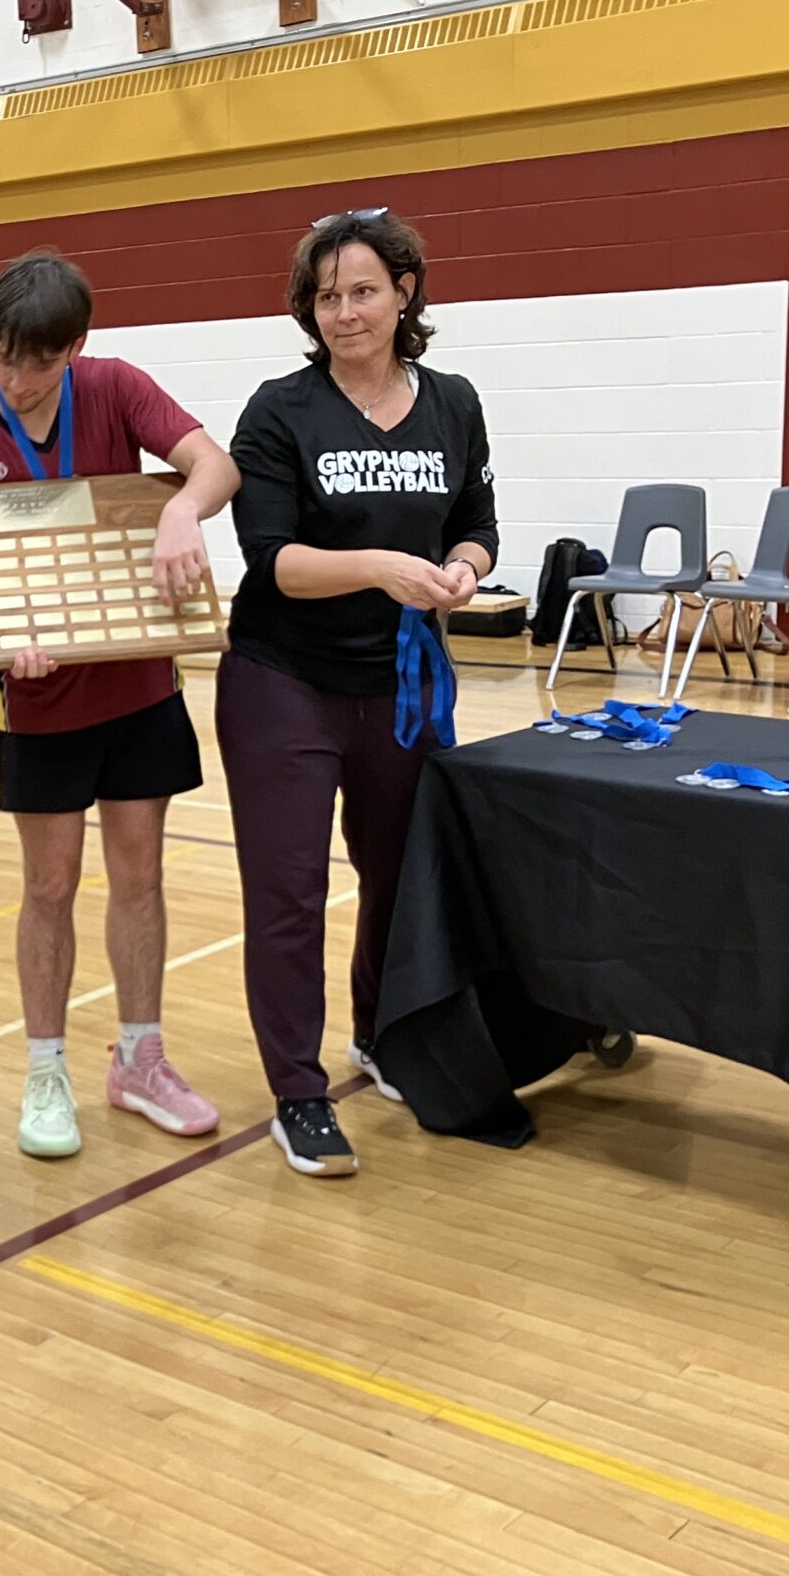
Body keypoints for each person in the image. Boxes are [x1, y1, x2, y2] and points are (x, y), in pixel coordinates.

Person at [0, 251, 240, 1160]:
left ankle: (140, 1059)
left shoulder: (116, 387)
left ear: (76, 348)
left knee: (140, 876)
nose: (16, 380)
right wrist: (1, 642)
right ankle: (47, 1069)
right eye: (1, 356)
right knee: (50, 884)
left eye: (38, 363)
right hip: (39, 704)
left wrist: (182, 510)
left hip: (138, 684)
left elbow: (215, 466)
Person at [220, 208, 497, 1177]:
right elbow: (273, 561)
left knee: (400, 877)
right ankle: (297, 1092)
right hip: (284, 679)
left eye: (363, 292)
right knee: (288, 894)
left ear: (404, 293)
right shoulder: (278, 411)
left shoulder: (452, 403)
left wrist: (462, 569)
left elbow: (476, 522)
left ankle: (380, 1035)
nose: (344, 313)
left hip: (402, 685)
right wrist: (381, 566)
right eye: (326, 296)